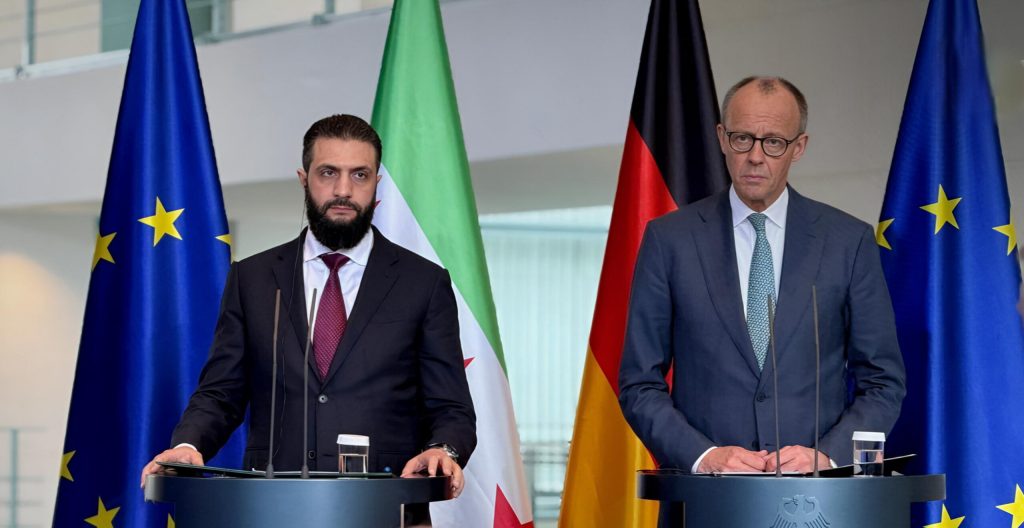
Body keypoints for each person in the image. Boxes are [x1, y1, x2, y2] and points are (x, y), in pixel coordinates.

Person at [141, 115, 476, 500]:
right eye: (328, 173)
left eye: (360, 175)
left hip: (386, 505)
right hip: (271, 504)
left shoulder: (424, 282)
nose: (343, 190)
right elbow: (221, 392)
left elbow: (451, 406)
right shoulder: (252, 278)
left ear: (377, 183)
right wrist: (188, 445)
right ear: (304, 178)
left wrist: (444, 449)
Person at [618, 76, 906, 476]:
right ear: (721, 138)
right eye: (742, 139)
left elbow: (883, 382)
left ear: (799, 147)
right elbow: (639, 383)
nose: (755, 156)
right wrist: (704, 456)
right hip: (706, 497)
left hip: (817, 496)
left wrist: (828, 456)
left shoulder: (848, 241)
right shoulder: (670, 240)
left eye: (773, 142)